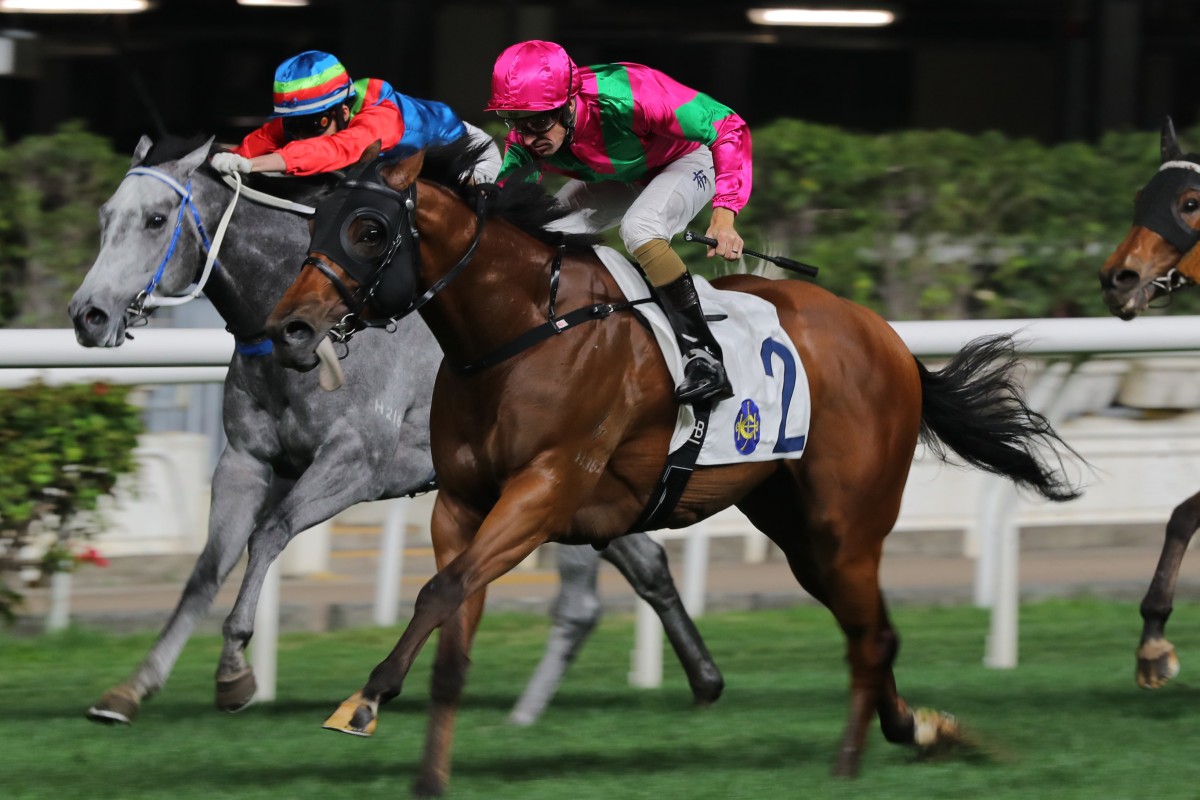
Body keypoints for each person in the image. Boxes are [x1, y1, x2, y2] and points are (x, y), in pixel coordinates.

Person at [484, 40, 751, 404]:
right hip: (620, 172)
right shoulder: (527, 137)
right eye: (515, 123)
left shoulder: (630, 94)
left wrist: (724, 215)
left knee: (639, 229)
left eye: (539, 122)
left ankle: (705, 357)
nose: (528, 137)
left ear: (569, 102)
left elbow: (728, 125)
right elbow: (511, 206)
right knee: (548, 237)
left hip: (687, 159)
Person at [212, 50, 500, 182]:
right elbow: (257, 143)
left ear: (344, 112)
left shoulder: (382, 119)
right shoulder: (312, 116)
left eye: (314, 123)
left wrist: (252, 167)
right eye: (293, 123)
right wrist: (227, 159)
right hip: (405, 167)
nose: (300, 134)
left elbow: (333, 149)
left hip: (468, 159)